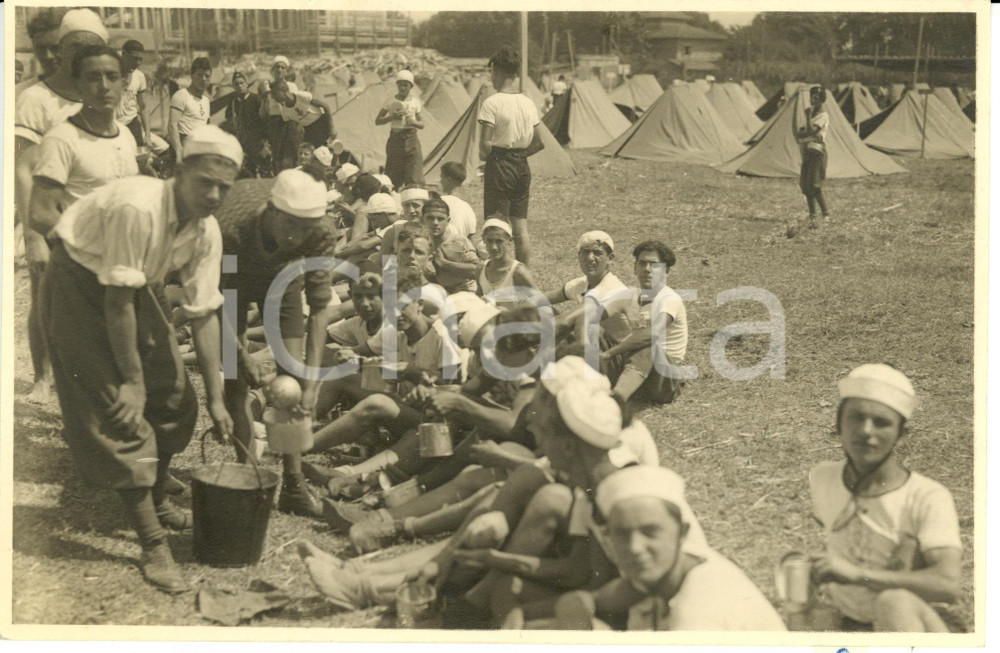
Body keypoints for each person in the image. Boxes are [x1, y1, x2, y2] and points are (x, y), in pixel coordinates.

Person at [41, 125, 240, 593]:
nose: (213, 195)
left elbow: (204, 313)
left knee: (174, 395)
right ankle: (151, 542)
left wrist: (216, 398)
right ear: (178, 172)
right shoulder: (138, 206)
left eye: (223, 188)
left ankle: (153, 489)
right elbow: (115, 304)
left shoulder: (206, 229)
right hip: (80, 280)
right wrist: (130, 381)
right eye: (204, 182)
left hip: (132, 288)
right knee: (119, 410)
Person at [214, 169, 339, 517]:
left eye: (304, 230)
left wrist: (311, 384)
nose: (296, 237)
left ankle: (294, 484)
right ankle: (248, 476)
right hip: (233, 276)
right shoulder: (228, 225)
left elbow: (318, 310)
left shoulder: (321, 230)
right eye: (289, 226)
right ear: (270, 211)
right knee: (235, 381)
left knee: (294, 384)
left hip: (282, 279)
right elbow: (211, 303)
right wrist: (241, 355)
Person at [806, 364, 962, 632]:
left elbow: (948, 585)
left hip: (915, 626)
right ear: (838, 423)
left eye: (882, 422)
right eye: (856, 417)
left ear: (900, 433)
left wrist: (857, 575)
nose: (866, 431)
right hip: (853, 622)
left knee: (893, 602)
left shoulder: (926, 496)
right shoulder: (822, 478)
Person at [549, 466, 787, 631]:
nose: (635, 548)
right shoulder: (678, 568)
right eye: (622, 534)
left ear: (682, 533)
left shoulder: (697, 614)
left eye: (650, 532)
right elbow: (587, 601)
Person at [14, 8, 109, 404]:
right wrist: (34, 238)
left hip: (94, 218)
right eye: (44, 50)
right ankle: (42, 376)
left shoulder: (95, 88)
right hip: (50, 216)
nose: (52, 57)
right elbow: (23, 170)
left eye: (58, 47)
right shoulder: (35, 99)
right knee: (45, 295)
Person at [29, 45, 139, 238]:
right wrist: (92, 246)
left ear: (122, 83)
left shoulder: (125, 134)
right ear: (77, 84)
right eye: (93, 77)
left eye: (112, 77)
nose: (104, 86)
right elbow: (40, 213)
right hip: (84, 261)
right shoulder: (62, 138)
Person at [478, 47, 546, 265]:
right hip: (521, 165)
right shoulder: (527, 102)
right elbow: (539, 142)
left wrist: (489, 158)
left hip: (499, 163)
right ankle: (523, 274)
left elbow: (485, 145)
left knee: (496, 222)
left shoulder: (492, 103)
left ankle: (499, 274)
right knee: (520, 226)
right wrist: (518, 155)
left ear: (496, 71)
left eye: (491, 72)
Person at [599, 240, 687, 404]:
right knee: (595, 331)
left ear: (666, 270)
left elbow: (651, 335)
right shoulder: (629, 295)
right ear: (635, 268)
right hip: (634, 369)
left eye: (654, 264)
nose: (647, 269)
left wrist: (610, 353)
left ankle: (616, 403)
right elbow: (592, 315)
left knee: (647, 343)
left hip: (664, 378)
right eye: (642, 263)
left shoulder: (670, 299)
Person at [545, 231, 636, 362]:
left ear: (610, 258)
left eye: (597, 253)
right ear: (578, 256)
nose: (590, 258)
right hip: (602, 350)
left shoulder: (610, 287)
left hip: (621, 357)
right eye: (585, 252)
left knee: (585, 324)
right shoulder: (581, 283)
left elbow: (564, 321)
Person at [375, 69, 425, 188]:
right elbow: (378, 121)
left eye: (406, 85)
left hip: (411, 139)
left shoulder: (415, 102)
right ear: (397, 85)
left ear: (411, 86)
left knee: (413, 173)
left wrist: (413, 122)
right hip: (396, 140)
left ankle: (412, 198)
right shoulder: (390, 101)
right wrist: (392, 117)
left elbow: (422, 124)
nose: (403, 88)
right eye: (400, 85)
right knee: (393, 173)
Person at [422, 196, 479, 294]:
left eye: (440, 219)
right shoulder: (419, 242)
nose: (435, 223)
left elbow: (477, 271)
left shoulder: (458, 242)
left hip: (462, 292)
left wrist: (444, 264)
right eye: (430, 218)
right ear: (422, 219)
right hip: (434, 293)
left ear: (448, 221)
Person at [477, 218, 536, 305]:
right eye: (489, 241)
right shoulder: (480, 269)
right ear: (483, 239)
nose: (494, 247)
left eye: (499, 241)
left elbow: (540, 301)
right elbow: (479, 295)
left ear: (510, 241)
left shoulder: (518, 272)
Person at [796, 86, 830, 226]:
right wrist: (807, 131)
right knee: (805, 184)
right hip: (807, 150)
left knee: (814, 184)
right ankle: (813, 215)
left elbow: (811, 131)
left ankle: (826, 213)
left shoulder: (823, 115)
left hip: (816, 151)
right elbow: (801, 133)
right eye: (812, 97)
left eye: (817, 98)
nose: (814, 100)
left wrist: (808, 117)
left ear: (822, 100)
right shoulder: (810, 116)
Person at [438, 162, 486, 259]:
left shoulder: (438, 203)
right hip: (461, 256)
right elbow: (471, 240)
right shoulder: (467, 208)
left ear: (448, 180)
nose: (440, 181)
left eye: (441, 177)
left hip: (441, 255)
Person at [169, 57, 212, 164]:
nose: (203, 79)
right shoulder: (181, 95)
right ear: (192, 75)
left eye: (207, 76)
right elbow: (172, 125)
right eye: (200, 74)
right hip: (185, 147)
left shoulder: (206, 101)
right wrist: (179, 151)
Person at [270, 79, 336, 149]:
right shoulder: (285, 112)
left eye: (274, 93)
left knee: (332, 148)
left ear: (284, 92)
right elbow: (294, 129)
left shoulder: (301, 96)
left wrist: (331, 128)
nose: (273, 97)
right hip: (309, 130)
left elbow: (325, 106)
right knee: (312, 152)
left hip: (322, 123)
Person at [225, 71, 267, 178]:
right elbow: (229, 121)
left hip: (258, 143)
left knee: (263, 172)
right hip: (243, 143)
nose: (240, 86)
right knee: (246, 173)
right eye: (236, 84)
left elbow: (266, 121)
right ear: (233, 86)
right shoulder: (233, 102)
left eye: (241, 83)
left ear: (247, 83)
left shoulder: (256, 99)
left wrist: (265, 143)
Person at [16, 8, 64, 93]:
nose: (48, 56)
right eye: (41, 48)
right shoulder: (19, 93)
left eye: (55, 48)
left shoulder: (89, 93)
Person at [116, 40, 150, 147]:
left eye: (140, 59)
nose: (138, 62)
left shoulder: (139, 76)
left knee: (139, 157)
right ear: (124, 54)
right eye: (135, 58)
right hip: (113, 124)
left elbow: (143, 107)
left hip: (132, 123)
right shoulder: (111, 73)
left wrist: (148, 135)